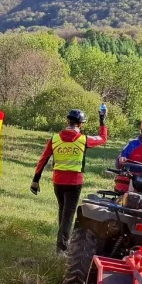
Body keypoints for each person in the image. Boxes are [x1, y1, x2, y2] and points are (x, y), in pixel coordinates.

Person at [31, 105, 109, 254]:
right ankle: (61, 249)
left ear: (67, 121)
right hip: (74, 183)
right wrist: (102, 120)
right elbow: (103, 139)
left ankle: (60, 244)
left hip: (58, 182)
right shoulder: (83, 139)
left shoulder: (54, 139)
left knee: (63, 211)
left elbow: (43, 159)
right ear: (80, 124)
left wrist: (36, 180)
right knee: (68, 215)